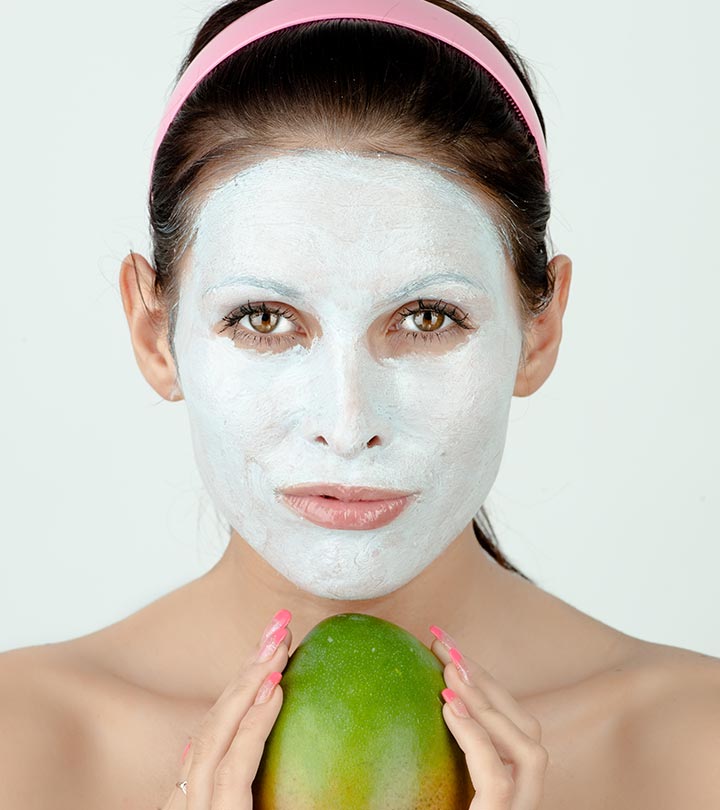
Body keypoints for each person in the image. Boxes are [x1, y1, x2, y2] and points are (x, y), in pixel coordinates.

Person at [2, 0, 719, 807]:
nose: (347, 426)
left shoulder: (699, 749)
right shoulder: (19, 747)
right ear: (154, 332)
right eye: (264, 320)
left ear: (541, 330)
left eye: (426, 319)